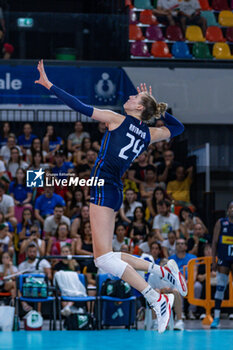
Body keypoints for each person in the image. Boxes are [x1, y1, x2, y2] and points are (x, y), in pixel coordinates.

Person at [35, 59, 186, 333]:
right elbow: (177, 128)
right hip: (113, 190)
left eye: (134, 97)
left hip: (104, 188)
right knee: (107, 256)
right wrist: (156, 105)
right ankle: (163, 272)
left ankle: (157, 297)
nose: (129, 96)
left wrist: (49, 85)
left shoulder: (117, 120)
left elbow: (79, 106)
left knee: (104, 260)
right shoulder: (148, 134)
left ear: (138, 108)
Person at [211, 200, 233, 329]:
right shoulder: (221, 223)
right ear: (227, 210)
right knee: (220, 287)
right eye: (231, 207)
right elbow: (214, 242)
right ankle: (217, 317)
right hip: (224, 258)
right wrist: (213, 260)